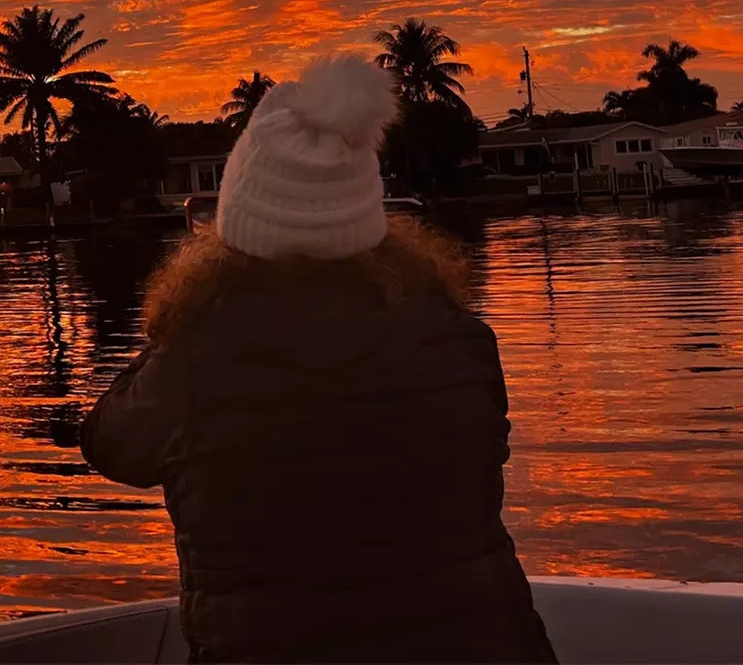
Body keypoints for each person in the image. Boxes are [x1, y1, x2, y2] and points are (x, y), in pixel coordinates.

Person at [82, 55, 555, 663]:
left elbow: (108, 445)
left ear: (234, 232)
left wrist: (182, 321)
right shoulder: (462, 341)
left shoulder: (192, 364)